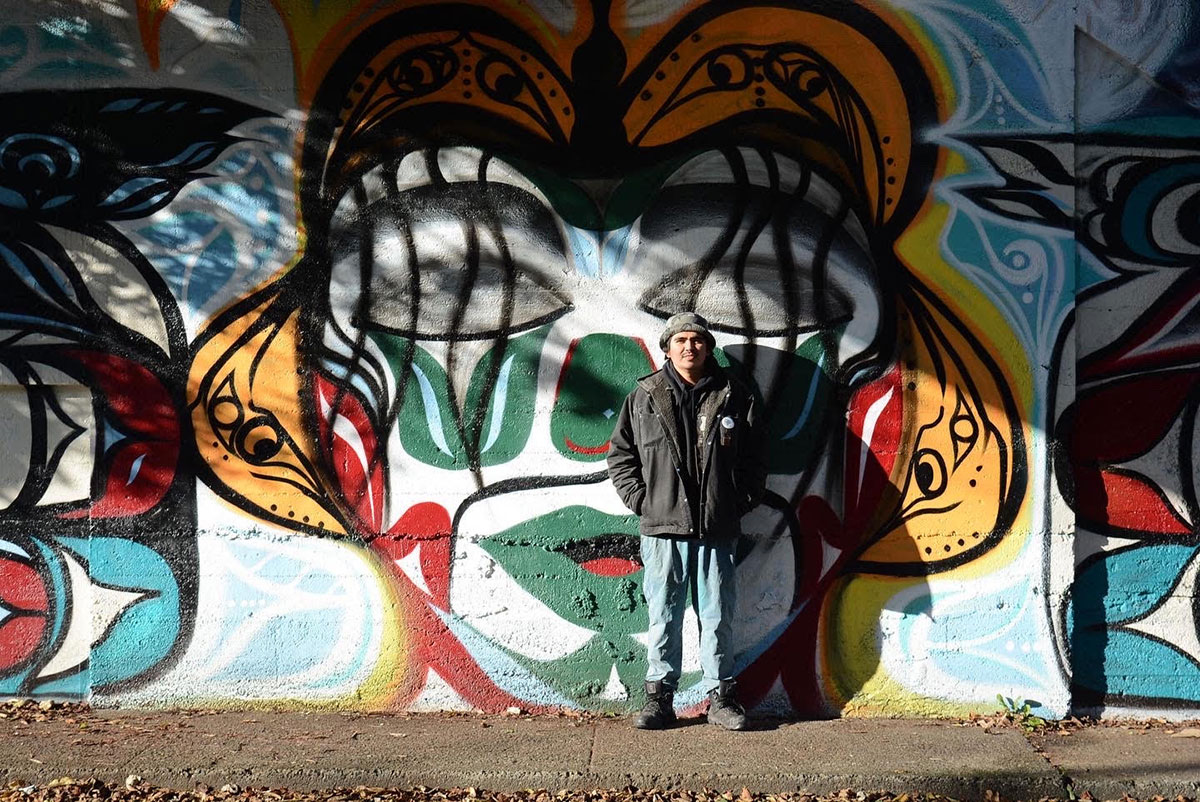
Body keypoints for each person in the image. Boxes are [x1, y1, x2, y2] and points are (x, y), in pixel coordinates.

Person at [606, 311, 767, 730]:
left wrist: (738, 502)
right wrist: (642, 501)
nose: (689, 347)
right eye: (681, 340)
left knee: (716, 614)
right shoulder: (644, 396)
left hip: (716, 527)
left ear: (708, 347)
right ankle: (660, 699)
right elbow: (621, 456)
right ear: (667, 348)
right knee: (664, 614)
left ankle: (722, 699)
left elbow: (756, 457)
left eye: (697, 340)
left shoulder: (733, 394)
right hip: (662, 529)